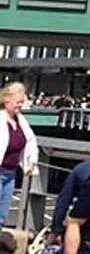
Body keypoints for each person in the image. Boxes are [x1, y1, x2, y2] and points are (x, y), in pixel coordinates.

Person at [0, 82, 37, 229]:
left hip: (10, 173)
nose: (20, 105)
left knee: (2, 214)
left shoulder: (20, 120)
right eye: (18, 102)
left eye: (22, 102)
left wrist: (32, 161)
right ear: (7, 99)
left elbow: (31, 141)